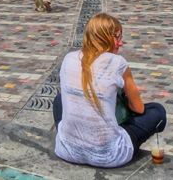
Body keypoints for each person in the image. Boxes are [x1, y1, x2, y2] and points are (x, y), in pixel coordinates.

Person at [53, 13, 166, 168]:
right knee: (157, 111)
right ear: (104, 37)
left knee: (59, 100)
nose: (120, 42)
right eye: (117, 37)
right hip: (110, 155)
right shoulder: (118, 63)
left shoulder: (68, 58)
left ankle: (73, 139)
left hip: (66, 151)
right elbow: (138, 108)